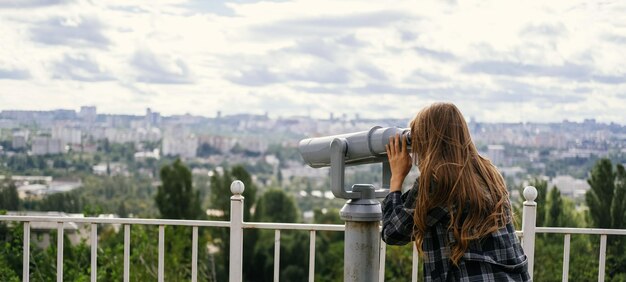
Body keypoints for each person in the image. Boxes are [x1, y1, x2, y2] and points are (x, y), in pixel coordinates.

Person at [382, 102, 530, 282]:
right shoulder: (489, 173)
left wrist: (396, 178)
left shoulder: (439, 182)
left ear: (428, 141)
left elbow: (393, 233)